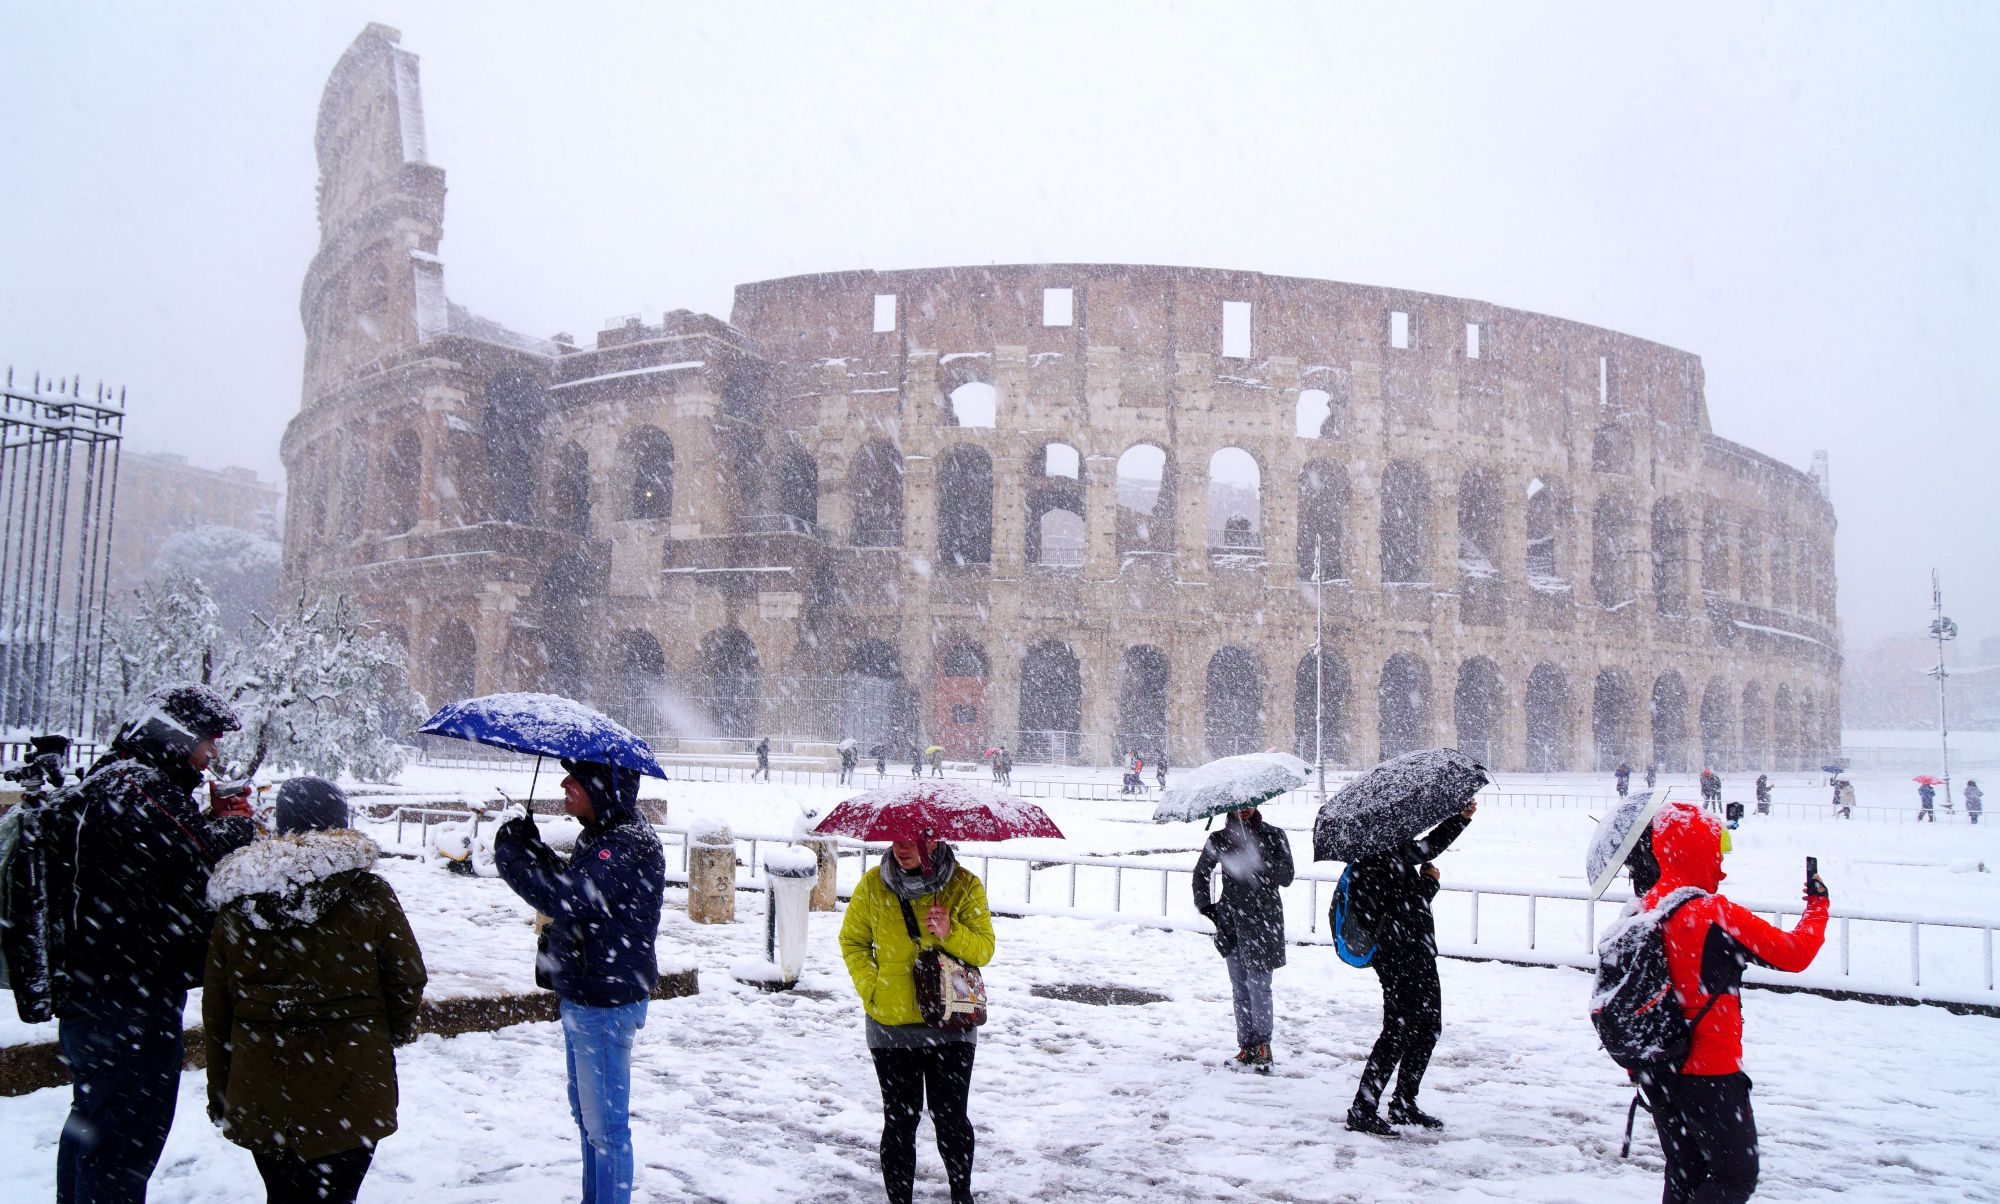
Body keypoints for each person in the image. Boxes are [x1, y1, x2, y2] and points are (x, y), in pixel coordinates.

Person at [56, 683, 258, 1204]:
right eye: (207, 740)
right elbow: (201, 865)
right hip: (129, 996)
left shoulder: (112, 780)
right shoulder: (138, 788)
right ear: (175, 736)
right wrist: (235, 823)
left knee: (95, 1126)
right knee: (124, 1139)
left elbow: (165, 862)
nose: (212, 753)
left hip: (102, 989)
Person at [204, 778, 427, 1204]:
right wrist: (386, 1035)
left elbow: (218, 1006)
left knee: (283, 1195)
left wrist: (223, 1091)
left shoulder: (240, 900)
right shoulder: (368, 893)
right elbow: (407, 977)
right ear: (339, 823)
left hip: (264, 1086)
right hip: (349, 1083)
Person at [1635, 801, 1828, 1204]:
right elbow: (1794, 954)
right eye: (1717, 850)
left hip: (1657, 1065)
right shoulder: (1713, 912)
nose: (1721, 865)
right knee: (1734, 1177)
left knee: (1684, 1173)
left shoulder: (1644, 908)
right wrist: (1817, 907)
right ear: (1699, 852)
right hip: (1710, 1069)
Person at [494, 759, 666, 1204]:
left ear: (603, 787)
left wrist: (513, 857)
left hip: (604, 1005)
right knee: (589, 1121)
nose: (563, 782)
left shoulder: (627, 843)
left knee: (605, 1129)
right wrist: (534, 850)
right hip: (587, 996)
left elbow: (567, 895)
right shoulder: (604, 835)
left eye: (576, 777)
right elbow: (577, 888)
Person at [838, 837, 994, 1204]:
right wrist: (872, 988)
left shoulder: (963, 885)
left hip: (950, 1024)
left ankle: (961, 1195)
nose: (902, 846)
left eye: (914, 838)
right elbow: (852, 941)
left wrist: (950, 930)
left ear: (935, 839)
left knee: (951, 1118)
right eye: (896, 838)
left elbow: (984, 949)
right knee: (900, 1122)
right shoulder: (873, 886)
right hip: (890, 1026)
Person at [1345, 799, 1478, 1135]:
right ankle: (1363, 1108)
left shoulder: (1394, 853)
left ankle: (1404, 1102)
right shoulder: (1371, 863)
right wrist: (1428, 884)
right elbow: (1397, 910)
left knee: (1429, 1027)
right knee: (1398, 1030)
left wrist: (1459, 819)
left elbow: (1426, 849)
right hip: (1397, 957)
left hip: (1417, 952)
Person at [1192, 805, 1295, 1070]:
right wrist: (1208, 907)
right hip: (1231, 922)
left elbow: (1286, 876)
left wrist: (1259, 860)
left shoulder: (1274, 835)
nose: (1244, 810)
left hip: (1263, 921)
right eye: (1239, 806)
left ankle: (1263, 1046)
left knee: (1259, 986)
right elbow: (1200, 872)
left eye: (1249, 805)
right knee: (1240, 988)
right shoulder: (1219, 839)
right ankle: (1246, 1046)